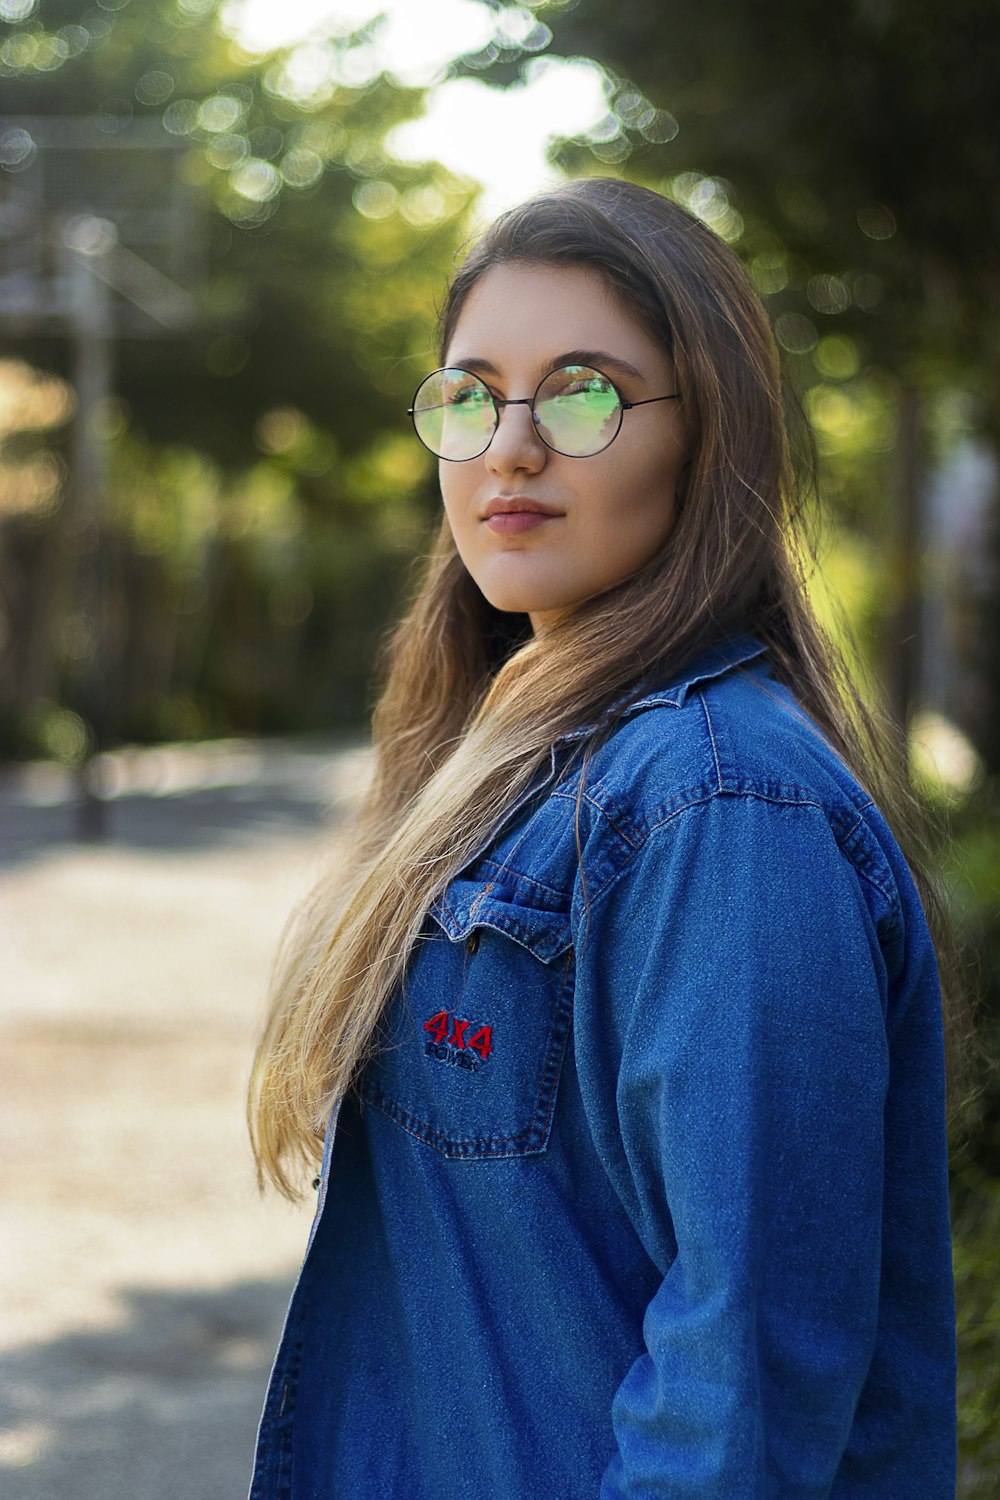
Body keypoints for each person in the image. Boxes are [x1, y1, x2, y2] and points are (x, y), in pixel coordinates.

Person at [247, 177, 956, 1498]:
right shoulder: (521, 760)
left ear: (708, 440)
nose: (510, 446)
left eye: (582, 393)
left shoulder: (722, 807)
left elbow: (737, 1391)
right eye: (469, 395)